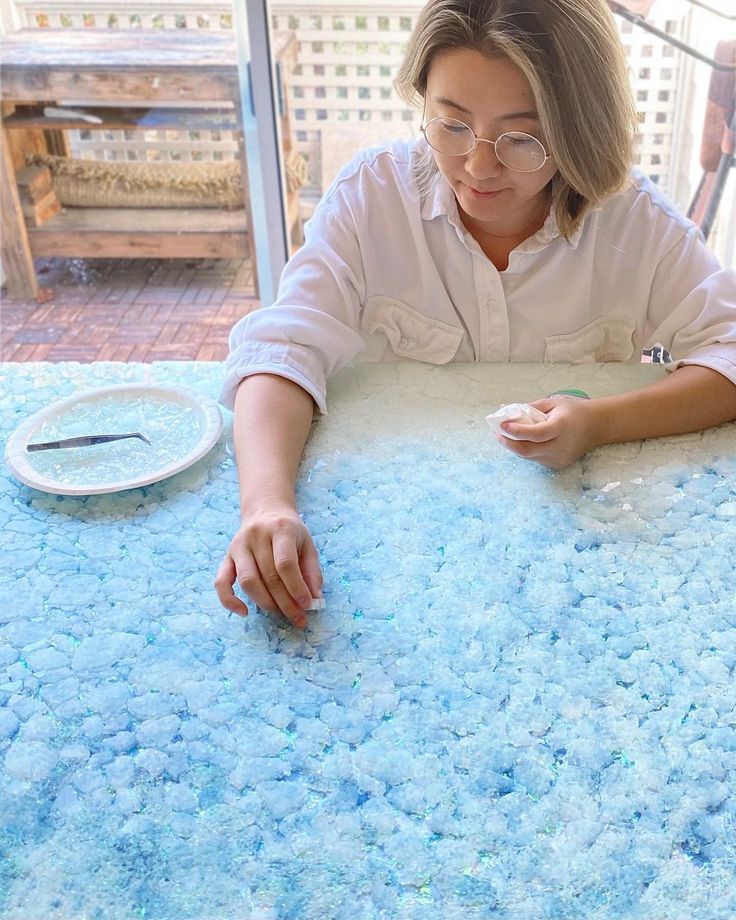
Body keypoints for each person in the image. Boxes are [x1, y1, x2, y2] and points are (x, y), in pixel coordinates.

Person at [214, 0, 736, 626]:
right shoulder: (373, 197)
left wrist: (598, 422)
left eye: (522, 136)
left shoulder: (632, 221)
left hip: (583, 565)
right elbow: (281, 350)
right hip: (401, 554)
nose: (478, 166)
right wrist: (267, 506)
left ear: (579, 127)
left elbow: (726, 352)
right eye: (452, 125)